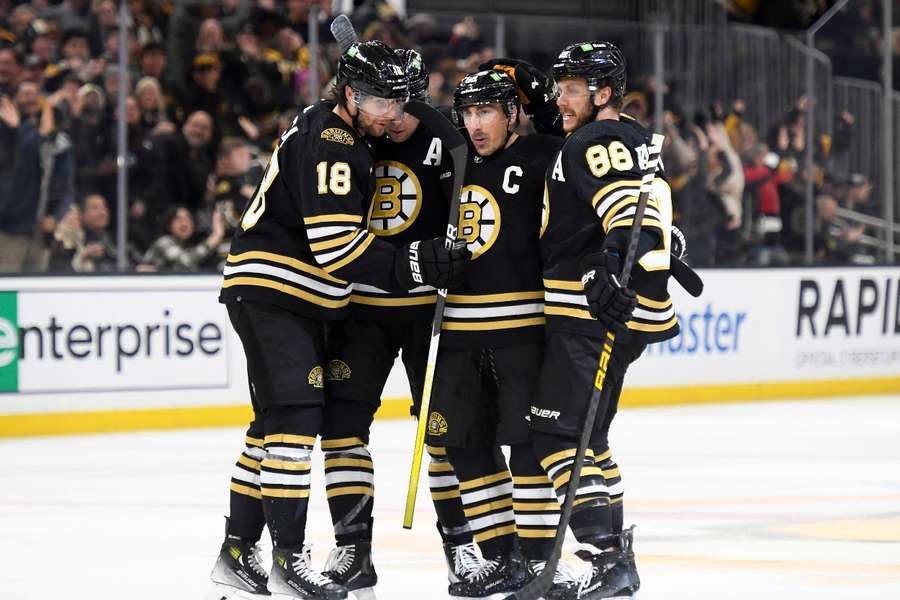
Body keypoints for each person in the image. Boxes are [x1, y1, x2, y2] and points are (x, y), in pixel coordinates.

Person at [208, 41, 468, 600]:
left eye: (400, 101)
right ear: (350, 94)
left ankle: (236, 552)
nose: (392, 114)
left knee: (272, 425)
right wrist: (415, 261)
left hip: (287, 297)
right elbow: (336, 247)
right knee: (298, 420)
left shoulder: (335, 127)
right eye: (381, 101)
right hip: (277, 292)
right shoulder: (333, 142)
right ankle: (286, 560)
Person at [318, 49, 480, 595]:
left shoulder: (445, 138)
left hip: (425, 311)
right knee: (341, 432)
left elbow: (468, 205)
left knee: (443, 435)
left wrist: (452, 259)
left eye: (396, 102)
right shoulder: (346, 129)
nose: (387, 115)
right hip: (358, 309)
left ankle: (463, 548)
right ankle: (351, 551)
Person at [532, 41, 681, 599]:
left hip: (588, 314)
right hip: (617, 316)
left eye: (571, 89)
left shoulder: (598, 138)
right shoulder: (636, 138)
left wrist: (605, 269)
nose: (560, 99)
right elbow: (654, 218)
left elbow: (627, 216)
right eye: (559, 86)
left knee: (556, 437)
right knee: (591, 441)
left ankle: (607, 560)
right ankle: (616, 556)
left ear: (602, 94)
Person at [420, 69, 571, 600]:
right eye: (468, 113)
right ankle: (503, 558)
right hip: (459, 332)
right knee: (463, 445)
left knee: (529, 448)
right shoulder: (453, 163)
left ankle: (537, 560)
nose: (475, 124)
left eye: (486, 112)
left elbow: (594, 179)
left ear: (512, 113)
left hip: (524, 329)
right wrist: (430, 260)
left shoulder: (545, 154)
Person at [139, 205, 223, 272]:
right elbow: (186, 261)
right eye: (178, 219)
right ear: (169, 225)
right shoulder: (163, 242)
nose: (184, 223)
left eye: (188, 219)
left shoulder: (187, 245)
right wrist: (216, 236)